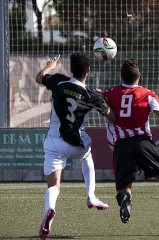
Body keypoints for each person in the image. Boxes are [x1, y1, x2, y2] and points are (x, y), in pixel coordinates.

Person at [103, 59, 159, 235]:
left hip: (121, 145)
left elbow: (101, 103)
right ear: (139, 76)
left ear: (121, 76)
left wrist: (99, 94)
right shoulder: (147, 94)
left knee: (124, 186)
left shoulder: (110, 93)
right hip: (142, 143)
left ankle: (126, 198)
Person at [35, 52, 116, 240]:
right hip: (75, 145)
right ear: (88, 71)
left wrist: (50, 66)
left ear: (70, 70)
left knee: (54, 185)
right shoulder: (91, 96)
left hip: (53, 142)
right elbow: (112, 117)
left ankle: (50, 210)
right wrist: (103, 98)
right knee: (87, 154)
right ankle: (91, 195)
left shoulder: (58, 81)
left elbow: (39, 77)